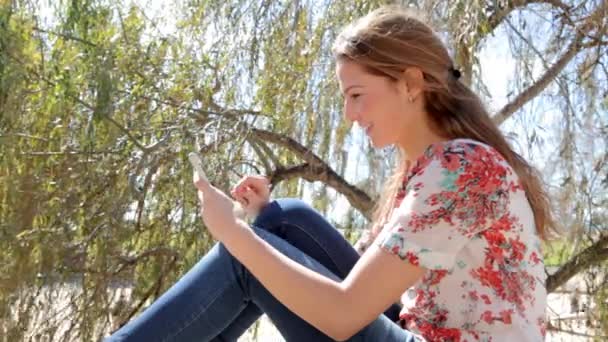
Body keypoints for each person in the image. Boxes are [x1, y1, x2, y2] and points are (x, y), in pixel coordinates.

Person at [106, 5, 553, 342]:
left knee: (244, 258)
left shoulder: (463, 169)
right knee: (285, 218)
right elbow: (357, 279)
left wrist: (234, 235)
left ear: (412, 83)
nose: (349, 114)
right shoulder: (429, 171)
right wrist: (262, 217)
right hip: (417, 327)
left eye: (357, 94)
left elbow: (344, 312)